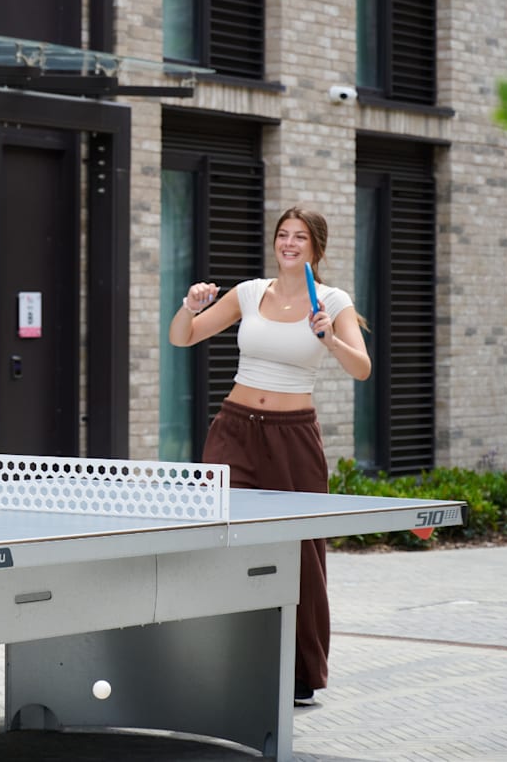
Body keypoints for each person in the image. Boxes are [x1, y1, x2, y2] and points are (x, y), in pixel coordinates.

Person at [168, 206, 370, 706]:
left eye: (301, 237)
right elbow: (183, 336)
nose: (290, 243)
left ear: (316, 247)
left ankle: (302, 673)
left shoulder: (332, 301)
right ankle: (217, 660)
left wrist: (329, 337)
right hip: (233, 431)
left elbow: (361, 367)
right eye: (283, 234)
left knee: (302, 552)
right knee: (219, 542)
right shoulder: (251, 293)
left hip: (293, 436)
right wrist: (188, 306)